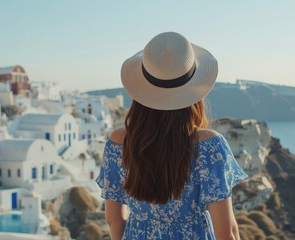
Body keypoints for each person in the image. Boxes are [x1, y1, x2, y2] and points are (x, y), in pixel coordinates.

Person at [96, 32, 249, 239]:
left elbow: (113, 220)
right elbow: (227, 233)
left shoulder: (117, 143)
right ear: (194, 91)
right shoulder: (209, 146)